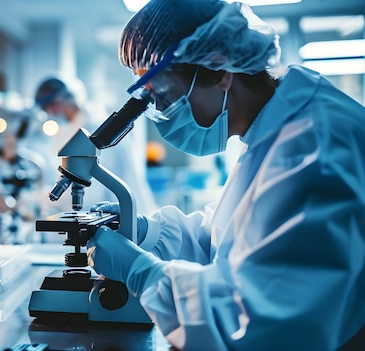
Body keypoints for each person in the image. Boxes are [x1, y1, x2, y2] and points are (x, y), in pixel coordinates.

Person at [85, 1, 365, 350]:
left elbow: (257, 324)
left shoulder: (315, 147)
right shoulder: (274, 130)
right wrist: (146, 232)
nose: (160, 112)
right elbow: (225, 241)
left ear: (219, 69)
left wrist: (142, 273)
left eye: (165, 96)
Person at [24, 76, 158, 215]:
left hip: (124, 212)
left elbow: (94, 188)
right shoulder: (70, 130)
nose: (50, 112)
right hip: (108, 211)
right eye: (46, 108)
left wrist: (45, 200)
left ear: (68, 99)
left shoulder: (98, 130)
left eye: (53, 105)